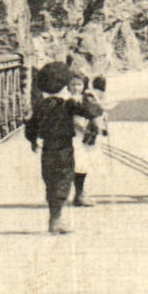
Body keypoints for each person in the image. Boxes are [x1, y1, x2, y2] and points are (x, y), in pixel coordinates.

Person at [25, 61, 102, 234]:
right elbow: (93, 112)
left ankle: (54, 217)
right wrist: (85, 98)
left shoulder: (42, 105)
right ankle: (56, 220)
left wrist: (32, 141)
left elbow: (31, 126)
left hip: (47, 149)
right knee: (63, 180)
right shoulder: (68, 104)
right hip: (64, 148)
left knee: (50, 181)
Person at [68, 74, 109, 206]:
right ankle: (78, 193)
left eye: (78, 84)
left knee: (83, 163)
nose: (76, 88)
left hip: (85, 135)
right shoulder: (67, 99)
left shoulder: (87, 98)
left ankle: (80, 193)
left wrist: (100, 120)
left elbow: (97, 112)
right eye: (73, 84)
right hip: (72, 134)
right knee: (77, 163)